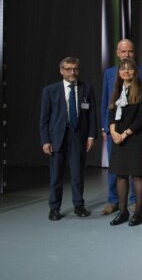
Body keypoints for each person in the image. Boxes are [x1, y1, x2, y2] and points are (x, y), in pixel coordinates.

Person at [39, 57, 97, 221]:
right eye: (68, 69)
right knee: (56, 175)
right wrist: (45, 140)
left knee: (77, 173)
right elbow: (44, 119)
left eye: (75, 69)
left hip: (78, 136)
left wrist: (92, 135)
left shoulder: (87, 88)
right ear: (61, 71)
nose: (72, 72)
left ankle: (79, 205)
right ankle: (54, 208)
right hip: (57, 138)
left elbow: (92, 114)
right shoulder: (50, 90)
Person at [99, 39, 142, 216]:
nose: (126, 55)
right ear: (117, 53)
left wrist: (130, 131)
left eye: (130, 51)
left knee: (135, 170)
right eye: (123, 52)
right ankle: (114, 201)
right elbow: (107, 102)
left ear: (134, 53)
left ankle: (134, 203)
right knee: (116, 169)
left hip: (136, 131)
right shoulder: (109, 73)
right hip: (115, 130)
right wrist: (107, 128)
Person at [107, 59, 142, 226]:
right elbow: (111, 111)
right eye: (122, 69)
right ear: (119, 73)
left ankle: (138, 212)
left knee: (137, 175)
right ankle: (123, 211)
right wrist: (112, 131)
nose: (126, 72)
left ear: (135, 72)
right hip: (118, 138)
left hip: (135, 138)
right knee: (120, 175)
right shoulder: (118, 89)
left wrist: (125, 133)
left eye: (129, 69)